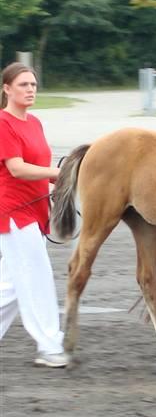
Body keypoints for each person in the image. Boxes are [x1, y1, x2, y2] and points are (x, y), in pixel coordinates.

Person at [0, 62, 69, 367]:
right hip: (13, 212)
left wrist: (52, 182)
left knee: (12, 284)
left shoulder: (35, 122)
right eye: (23, 85)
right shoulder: (3, 123)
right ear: (6, 89)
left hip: (35, 210)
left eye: (33, 85)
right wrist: (58, 174)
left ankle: (50, 344)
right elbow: (16, 168)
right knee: (36, 278)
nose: (30, 90)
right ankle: (50, 346)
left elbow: (38, 163)